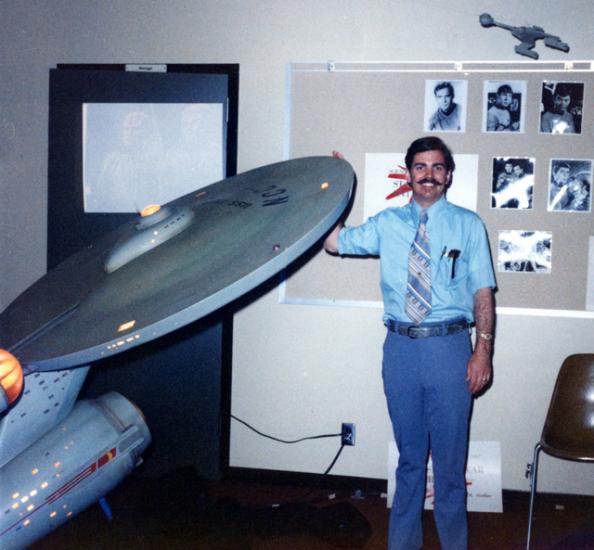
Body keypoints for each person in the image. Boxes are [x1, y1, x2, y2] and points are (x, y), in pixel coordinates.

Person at [325, 136, 496, 550]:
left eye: (438, 167)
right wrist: (333, 188)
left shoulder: (468, 224)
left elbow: (483, 294)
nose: (429, 176)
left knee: (451, 467)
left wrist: (482, 351)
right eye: (420, 167)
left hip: (450, 349)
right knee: (409, 462)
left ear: (448, 175)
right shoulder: (387, 224)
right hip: (400, 350)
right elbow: (334, 241)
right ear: (408, 173)